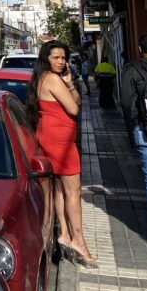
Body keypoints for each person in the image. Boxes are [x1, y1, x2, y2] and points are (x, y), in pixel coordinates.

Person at [27, 41, 98, 268]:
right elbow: (75, 109)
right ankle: (79, 241)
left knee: (59, 189)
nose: (61, 62)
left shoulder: (43, 78)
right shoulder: (52, 79)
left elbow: (75, 99)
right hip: (61, 142)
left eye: (63, 58)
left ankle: (65, 234)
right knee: (73, 191)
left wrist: (70, 84)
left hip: (49, 137)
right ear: (46, 58)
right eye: (56, 57)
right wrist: (68, 85)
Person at [119, 33, 147, 222]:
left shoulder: (132, 69)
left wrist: (132, 126)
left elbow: (126, 101)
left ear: (140, 49)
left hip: (145, 128)